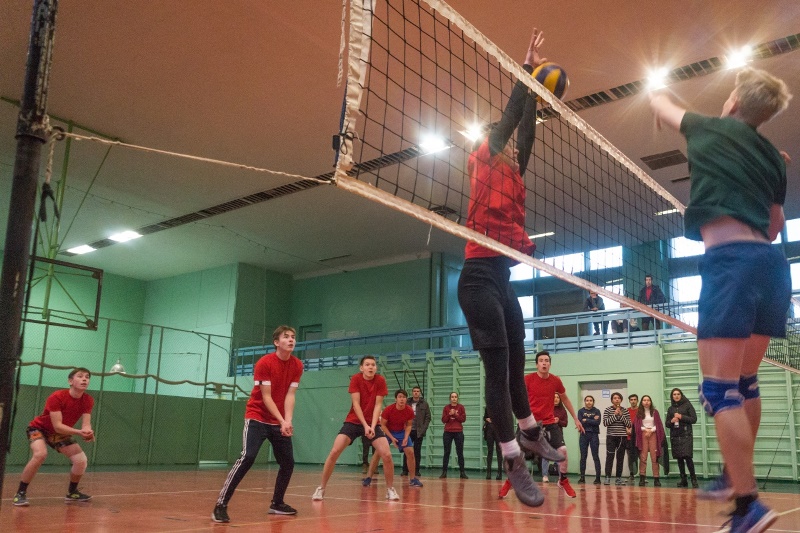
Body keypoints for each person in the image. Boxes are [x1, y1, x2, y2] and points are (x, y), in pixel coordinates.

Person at [650, 66, 792, 531]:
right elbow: (775, 226)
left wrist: (656, 90)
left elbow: (661, 105)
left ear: (734, 101)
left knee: (719, 390)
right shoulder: (773, 158)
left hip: (731, 263)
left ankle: (748, 504)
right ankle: (735, 474)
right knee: (745, 381)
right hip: (772, 266)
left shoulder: (711, 127)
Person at [456, 26, 564, 508]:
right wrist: (527, 72)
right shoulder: (484, 157)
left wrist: (539, 98)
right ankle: (513, 460)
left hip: (502, 280)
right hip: (477, 279)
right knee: (497, 372)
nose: (514, 147)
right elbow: (508, 119)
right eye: (508, 143)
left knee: (518, 359)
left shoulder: (515, 173)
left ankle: (530, 433)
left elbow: (525, 130)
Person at [213, 326, 304, 522]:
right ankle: (220, 505)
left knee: (288, 462)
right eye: (286, 337)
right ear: (276, 342)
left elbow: (290, 395)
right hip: (257, 417)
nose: (291, 340)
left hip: (279, 421)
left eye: (293, 337)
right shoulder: (265, 363)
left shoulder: (297, 365)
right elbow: (266, 397)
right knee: (248, 457)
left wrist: (287, 421)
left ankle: (277, 503)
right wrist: (282, 420)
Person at [312, 355, 399, 502]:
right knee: (334, 451)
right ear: (361, 368)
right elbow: (356, 404)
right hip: (354, 421)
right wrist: (365, 425)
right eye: (367, 364)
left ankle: (390, 489)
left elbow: (378, 405)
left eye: (373, 365)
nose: (371, 367)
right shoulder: (356, 379)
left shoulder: (380, 380)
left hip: (372, 423)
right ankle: (321, 488)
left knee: (387, 455)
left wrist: (372, 426)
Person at [13, 368, 95, 507]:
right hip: (38, 429)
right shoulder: (57, 396)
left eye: (87, 377)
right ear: (70, 381)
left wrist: (88, 432)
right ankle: (20, 493)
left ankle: (72, 492)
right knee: (40, 454)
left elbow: (86, 424)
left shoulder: (88, 400)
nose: (84, 379)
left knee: (81, 460)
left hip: (59, 433)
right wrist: (79, 432)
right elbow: (57, 426)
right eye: (80, 376)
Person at [523, 351, 584, 498]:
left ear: (550, 364)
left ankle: (563, 480)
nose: (544, 363)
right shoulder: (528, 379)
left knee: (563, 450)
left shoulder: (555, 381)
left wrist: (576, 418)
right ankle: (510, 481)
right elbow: (518, 398)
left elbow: (565, 399)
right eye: (541, 361)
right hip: (531, 424)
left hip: (549, 423)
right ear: (537, 364)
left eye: (546, 360)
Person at [364, 389, 423, 488]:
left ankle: (413, 479)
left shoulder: (409, 410)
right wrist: (392, 438)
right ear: (396, 399)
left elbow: (409, 425)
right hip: (388, 432)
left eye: (404, 397)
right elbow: (383, 425)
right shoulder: (388, 410)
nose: (402, 399)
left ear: (406, 399)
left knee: (410, 453)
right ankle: (368, 477)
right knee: (378, 453)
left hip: (401, 432)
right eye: (400, 397)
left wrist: (406, 437)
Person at [665, 388, 699, 489]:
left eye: (678, 394)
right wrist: (671, 421)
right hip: (675, 436)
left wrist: (681, 416)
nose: (676, 396)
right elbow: (667, 424)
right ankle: (683, 480)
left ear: (681, 395)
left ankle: (693, 479)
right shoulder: (670, 409)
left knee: (688, 457)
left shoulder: (687, 405)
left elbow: (694, 419)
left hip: (686, 435)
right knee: (679, 459)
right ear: (672, 396)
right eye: (674, 394)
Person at [633, 395, 666, 487]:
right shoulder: (639, 413)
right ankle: (642, 477)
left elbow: (658, 424)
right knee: (643, 457)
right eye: (644, 400)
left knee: (654, 457)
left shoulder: (655, 412)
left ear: (650, 402)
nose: (646, 402)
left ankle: (656, 478)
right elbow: (636, 425)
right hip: (643, 434)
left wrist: (651, 430)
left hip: (653, 434)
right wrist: (645, 430)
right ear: (642, 402)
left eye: (648, 400)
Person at [602, 392, 631, 485]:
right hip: (611, 437)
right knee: (610, 457)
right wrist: (615, 415)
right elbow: (605, 423)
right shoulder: (607, 410)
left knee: (620, 458)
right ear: (612, 400)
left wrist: (621, 415)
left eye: (618, 398)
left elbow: (629, 424)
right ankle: (607, 477)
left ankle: (618, 478)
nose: (617, 399)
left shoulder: (625, 410)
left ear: (621, 400)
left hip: (622, 437)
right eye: (615, 398)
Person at [402, 386, 431, 477]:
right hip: (408, 431)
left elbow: (428, 417)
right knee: (407, 450)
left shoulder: (424, 404)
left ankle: (416, 470)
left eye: (418, 391)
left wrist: (423, 429)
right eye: (414, 391)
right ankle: (405, 470)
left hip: (419, 431)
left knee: (417, 451)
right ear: (412, 392)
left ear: (420, 393)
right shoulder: (407, 403)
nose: (416, 393)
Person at [540, 392, 568, 483]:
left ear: (560, 399)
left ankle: (561, 477)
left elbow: (565, 423)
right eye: (554, 397)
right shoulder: (547, 409)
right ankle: (545, 475)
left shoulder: (562, 410)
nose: (556, 399)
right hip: (547, 435)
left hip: (558, 436)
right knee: (545, 456)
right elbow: (542, 421)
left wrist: (558, 421)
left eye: (557, 397)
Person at [440, 392, 468, 479]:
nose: (454, 398)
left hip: (458, 432)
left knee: (460, 452)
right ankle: (444, 472)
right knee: (446, 452)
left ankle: (462, 472)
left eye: (455, 397)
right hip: (448, 432)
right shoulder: (446, 408)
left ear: (457, 398)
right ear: (450, 398)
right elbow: (443, 420)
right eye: (452, 397)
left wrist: (455, 414)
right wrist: (449, 414)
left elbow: (463, 419)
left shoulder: (461, 407)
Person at [577, 395, 602, 485]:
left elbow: (597, 422)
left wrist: (586, 420)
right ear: (585, 402)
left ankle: (598, 478)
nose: (589, 402)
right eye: (587, 400)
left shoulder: (597, 411)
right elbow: (580, 421)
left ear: (593, 402)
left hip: (594, 435)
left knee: (595, 456)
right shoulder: (580, 411)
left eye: (591, 400)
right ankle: (582, 478)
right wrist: (591, 420)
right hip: (584, 435)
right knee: (583, 457)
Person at [483, 407, 503, 480]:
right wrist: (487, 419)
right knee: (490, 451)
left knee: (499, 451)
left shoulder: (501, 407)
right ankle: (488, 472)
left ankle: (499, 473)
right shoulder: (488, 407)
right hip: (489, 430)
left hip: (498, 430)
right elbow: (484, 417)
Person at [626, 394, 639, 482]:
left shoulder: (640, 411)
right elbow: (623, 422)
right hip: (628, 438)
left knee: (640, 456)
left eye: (635, 399)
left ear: (637, 401)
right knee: (630, 457)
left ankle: (642, 475)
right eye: (631, 399)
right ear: (629, 401)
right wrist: (627, 429)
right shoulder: (626, 411)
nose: (633, 401)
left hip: (639, 438)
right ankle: (632, 474)